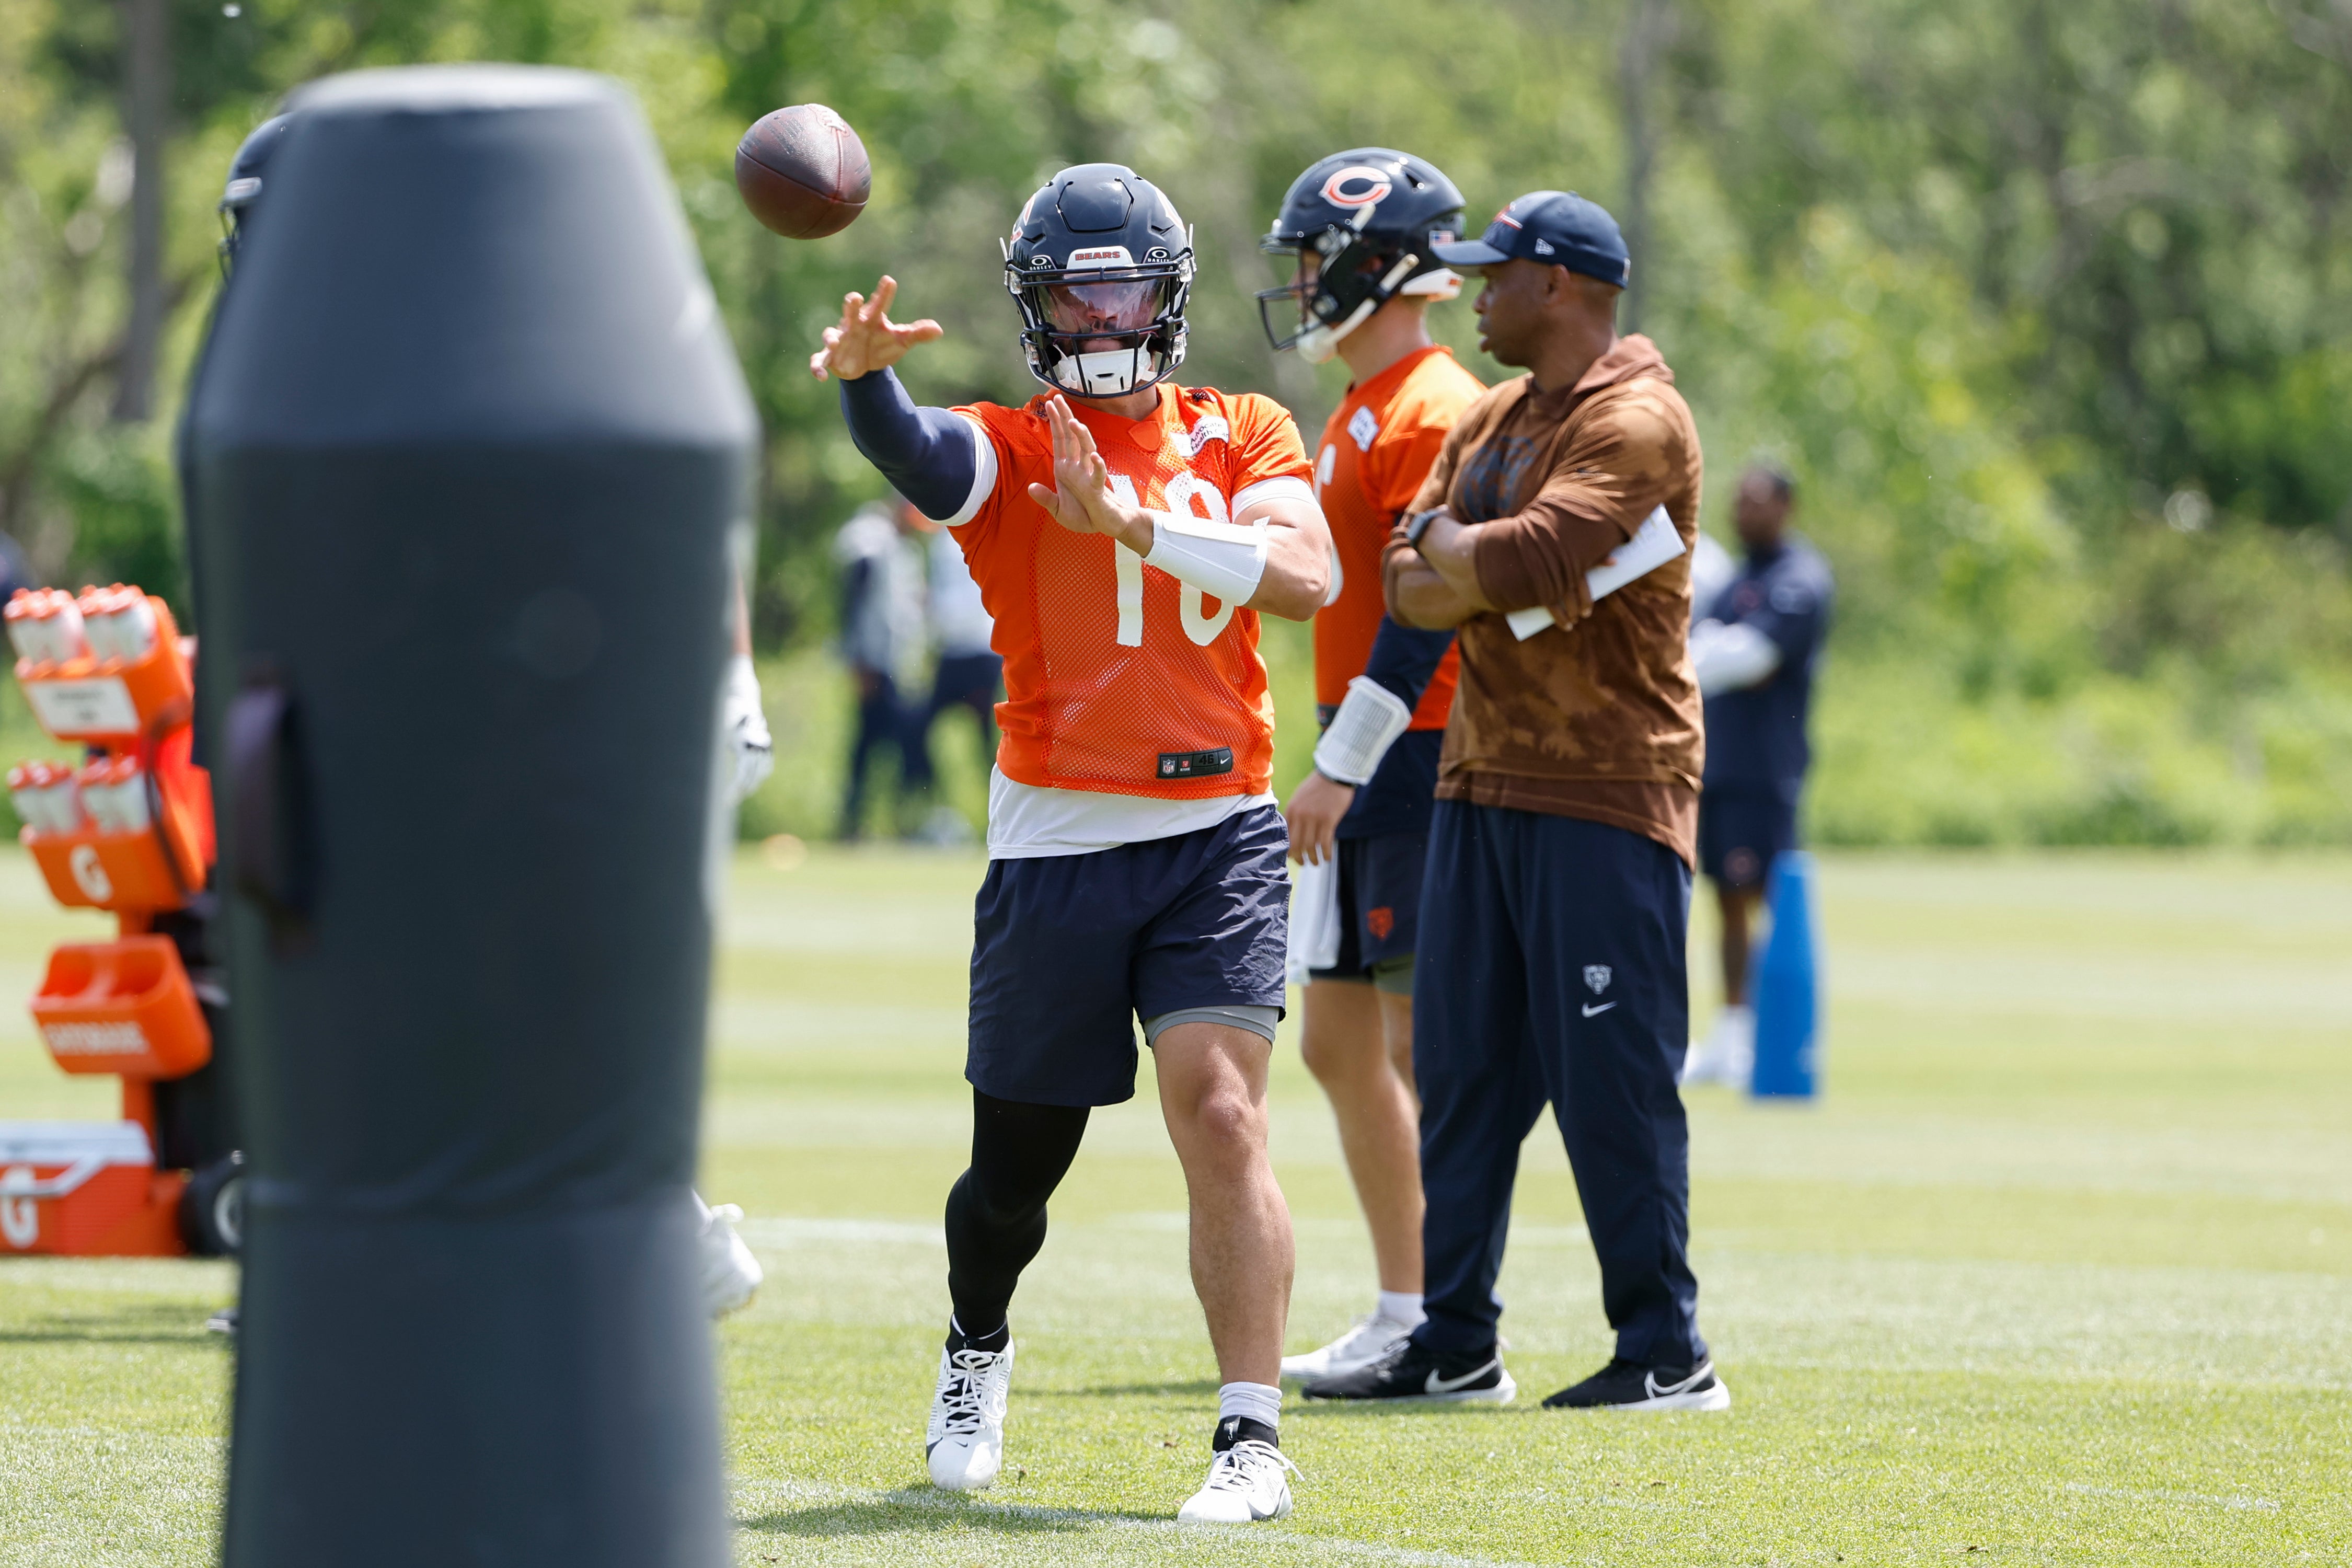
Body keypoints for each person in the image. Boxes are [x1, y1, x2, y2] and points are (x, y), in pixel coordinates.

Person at [809, 163, 1332, 1524]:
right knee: (1011, 1179)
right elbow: (921, 454)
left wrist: (1141, 523)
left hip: (1217, 831)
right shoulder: (1018, 445)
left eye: (1123, 291)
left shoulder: (1245, 428)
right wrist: (866, 382)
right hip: (1058, 848)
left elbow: (1304, 578)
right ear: (1037, 308)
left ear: (1165, 297)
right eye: (1074, 295)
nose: (1101, 321)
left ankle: (1249, 1437)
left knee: (1221, 1113)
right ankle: (976, 1342)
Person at [201, 113, 770, 1324]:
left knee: (493, 982)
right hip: (432, 718)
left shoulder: (453, 334)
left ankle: (646, 1231)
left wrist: (719, 681)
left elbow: (644, 520)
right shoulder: (349, 352)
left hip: (536, 716)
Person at [1302, 190, 1730, 1413]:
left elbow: (1508, 562)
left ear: (1560, 285)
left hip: (1606, 786)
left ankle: (1663, 1349)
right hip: (1478, 777)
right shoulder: (1492, 413)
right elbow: (1410, 584)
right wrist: (1470, 563)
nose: (1472, 291)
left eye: (1494, 274)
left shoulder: (1638, 419)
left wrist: (1467, 559)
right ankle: (1453, 1336)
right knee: (1463, 1068)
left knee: (1610, 1076)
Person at [1254, 149, 1485, 1382]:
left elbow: (1423, 609)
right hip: (1370, 747)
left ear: (1369, 259)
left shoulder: (1428, 404)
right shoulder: (1359, 402)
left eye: (1311, 256)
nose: (1299, 280)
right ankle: (1409, 1305)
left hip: (1410, 748)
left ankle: (1443, 1322)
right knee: (1339, 1044)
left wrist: (1341, 760)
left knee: (1407, 1046)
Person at [1682, 462, 1834, 1087]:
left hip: (1765, 770)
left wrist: (1697, 655)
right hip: (1718, 764)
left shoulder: (1801, 579)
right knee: (1728, 904)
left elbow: (1753, 658)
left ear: (1785, 508)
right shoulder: (1736, 576)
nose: (1744, 512)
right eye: (1738, 501)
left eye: (1757, 502)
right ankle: (1734, 1036)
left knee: (1774, 901)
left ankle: (1791, 1039)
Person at [834, 494, 931, 840]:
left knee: (882, 741)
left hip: (896, 665)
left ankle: (887, 821)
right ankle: (859, 822)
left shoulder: (905, 549)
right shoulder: (871, 536)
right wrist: (856, 657)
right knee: (874, 743)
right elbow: (853, 599)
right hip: (872, 661)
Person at [914, 521, 1001, 810]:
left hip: (981, 648)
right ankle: (930, 806)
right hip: (951, 651)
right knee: (918, 728)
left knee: (988, 740)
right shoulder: (939, 539)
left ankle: (997, 810)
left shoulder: (987, 526)